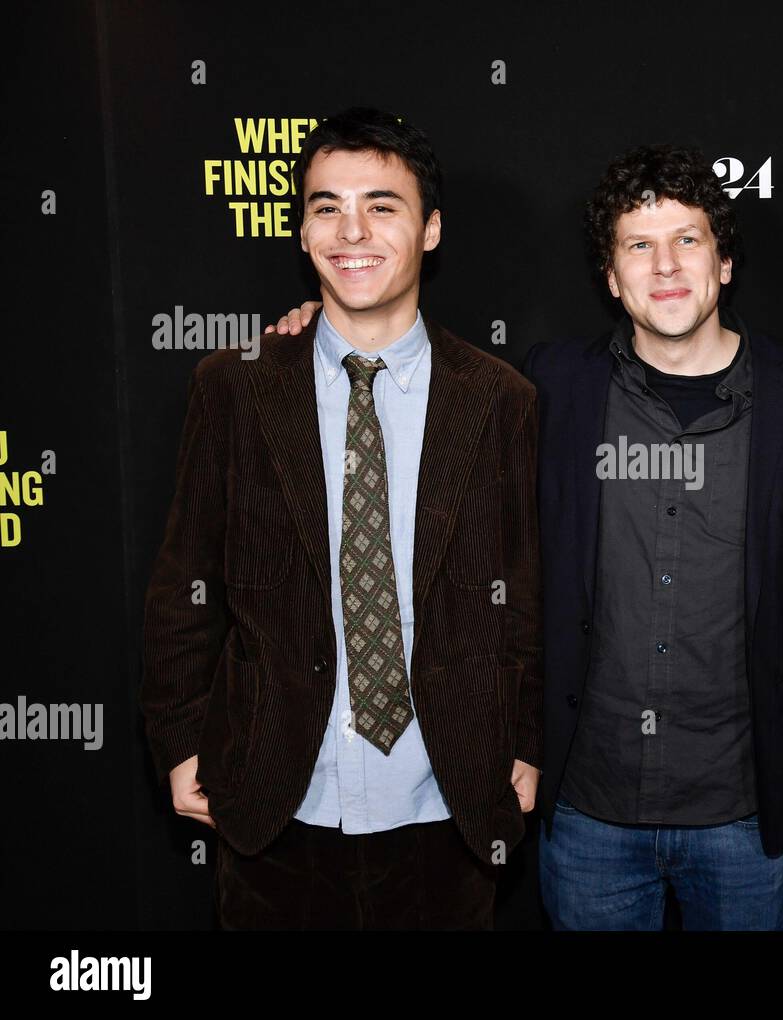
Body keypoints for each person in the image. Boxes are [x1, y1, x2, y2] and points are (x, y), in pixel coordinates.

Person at [270, 143, 783, 930]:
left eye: (688, 240)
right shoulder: (549, 386)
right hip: (587, 812)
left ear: (724, 265)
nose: (667, 266)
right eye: (638, 246)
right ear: (611, 279)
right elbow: (416, 371)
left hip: (744, 812)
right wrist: (318, 330)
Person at [140, 107, 542, 930]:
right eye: (326, 206)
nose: (351, 229)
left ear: (430, 229)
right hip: (273, 809)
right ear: (301, 231)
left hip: (447, 810)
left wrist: (527, 740)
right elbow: (185, 584)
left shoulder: (501, 397)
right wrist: (180, 743)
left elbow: (526, 595)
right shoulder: (235, 386)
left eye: (382, 206)